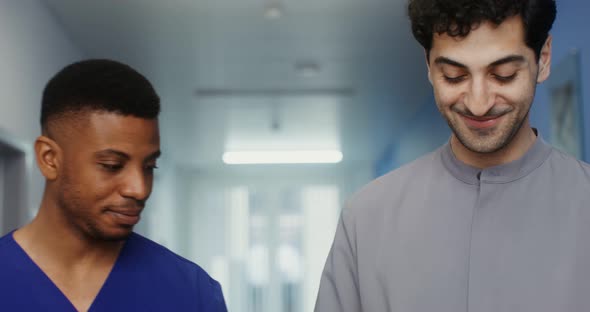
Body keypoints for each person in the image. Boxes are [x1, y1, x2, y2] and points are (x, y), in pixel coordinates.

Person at [315, 0, 590, 311]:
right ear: (429, 67)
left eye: (503, 74)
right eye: (454, 76)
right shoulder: (365, 219)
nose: (478, 103)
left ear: (543, 58)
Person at [0, 59, 227, 311]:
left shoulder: (192, 292)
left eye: (149, 167)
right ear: (49, 159)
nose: (139, 189)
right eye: (112, 165)